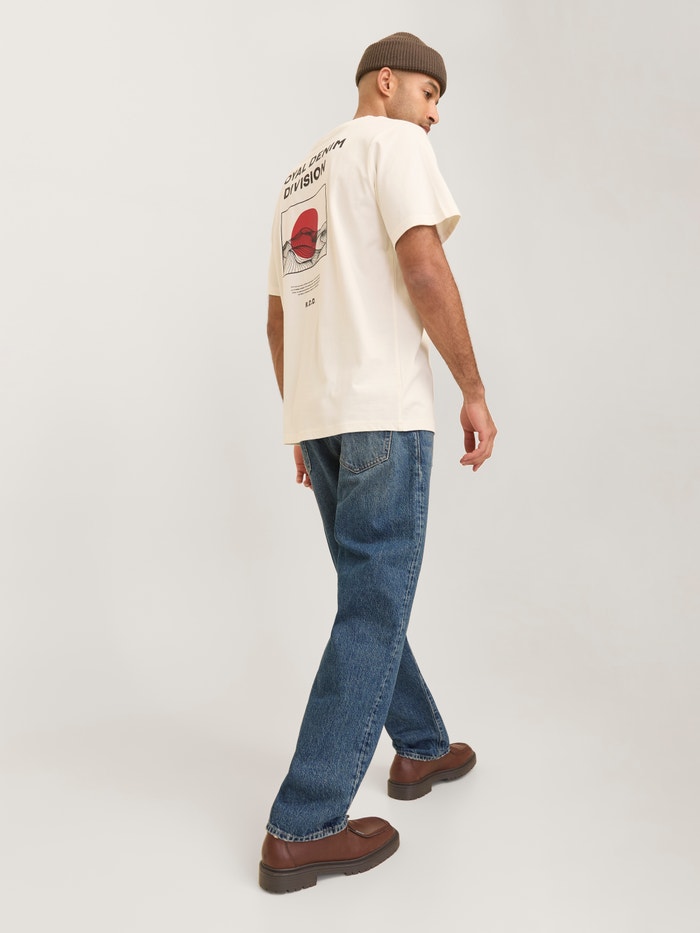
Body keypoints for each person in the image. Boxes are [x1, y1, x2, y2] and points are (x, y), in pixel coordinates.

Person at [260, 31, 497, 894]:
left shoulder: (298, 177)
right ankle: (305, 822)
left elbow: (279, 318)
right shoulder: (393, 145)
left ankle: (421, 747)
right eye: (430, 95)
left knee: (369, 592)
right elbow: (423, 265)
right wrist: (473, 386)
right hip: (382, 413)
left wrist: (297, 423)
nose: (435, 115)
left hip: (322, 415)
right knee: (372, 605)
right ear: (386, 83)